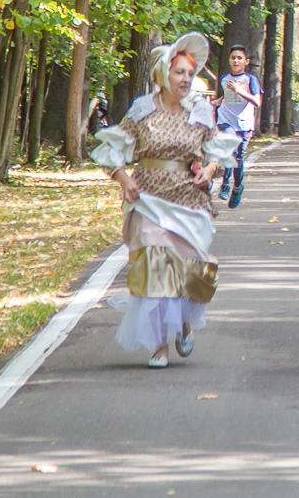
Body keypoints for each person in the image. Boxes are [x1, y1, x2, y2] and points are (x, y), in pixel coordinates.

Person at [90, 33, 241, 368]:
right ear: (162, 75)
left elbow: (215, 150)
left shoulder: (201, 111)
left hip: (189, 200)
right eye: (179, 73)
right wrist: (124, 178)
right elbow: (112, 151)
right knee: (154, 268)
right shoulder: (142, 109)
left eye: (190, 73)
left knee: (190, 270)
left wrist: (210, 169)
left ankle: (183, 322)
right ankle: (159, 346)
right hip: (147, 199)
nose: (186, 79)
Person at [213, 45, 263, 208]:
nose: (236, 60)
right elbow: (227, 94)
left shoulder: (250, 80)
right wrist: (219, 100)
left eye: (239, 58)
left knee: (238, 158)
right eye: (233, 57)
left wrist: (239, 90)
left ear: (246, 61)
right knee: (229, 150)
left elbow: (257, 102)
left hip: (244, 123)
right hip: (226, 120)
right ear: (229, 60)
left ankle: (237, 187)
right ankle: (226, 183)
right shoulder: (224, 79)